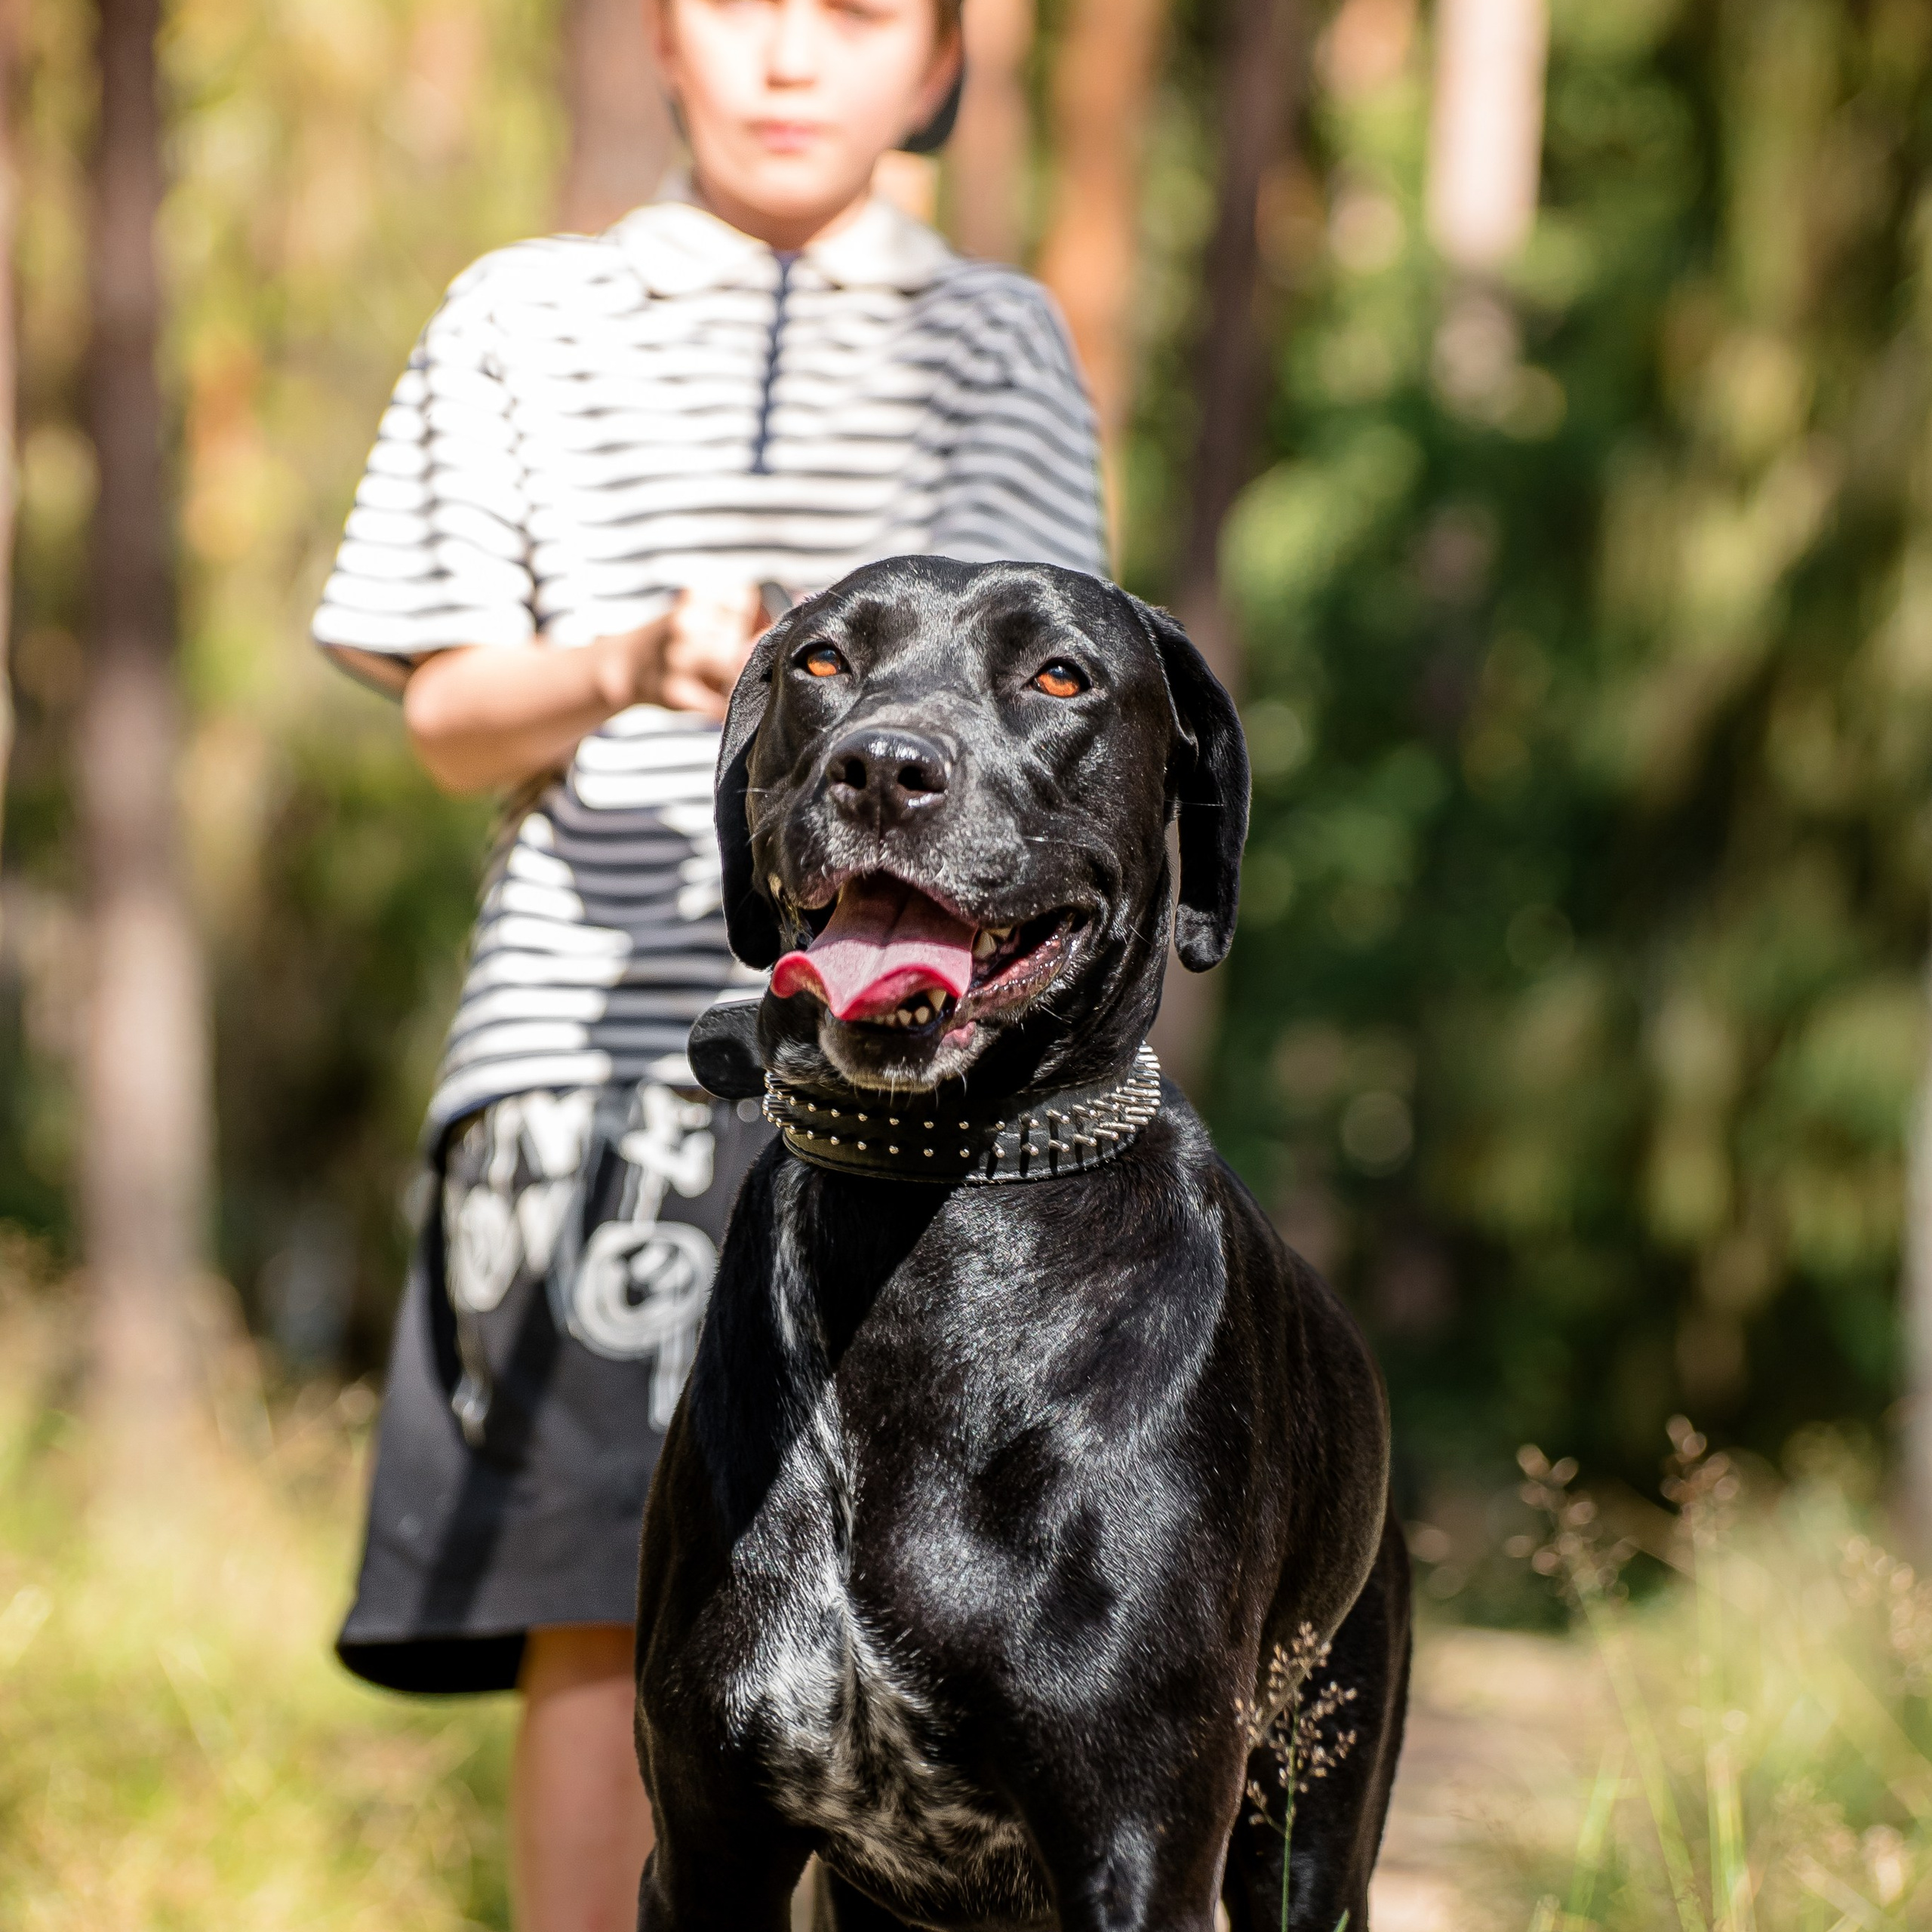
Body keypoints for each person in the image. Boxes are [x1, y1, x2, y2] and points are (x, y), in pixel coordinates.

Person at [314, 2, 1106, 1926]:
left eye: (849, 16)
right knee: (611, 1599)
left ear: (933, 68)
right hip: (587, 1064)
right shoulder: (523, 312)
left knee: (955, 1596)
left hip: (930, 1083)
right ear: (660, 37)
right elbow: (439, 715)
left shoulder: (994, 333)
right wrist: (626, 663)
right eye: (736, 2)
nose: (782, 59)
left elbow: (1050, 714)